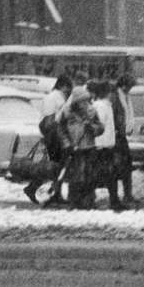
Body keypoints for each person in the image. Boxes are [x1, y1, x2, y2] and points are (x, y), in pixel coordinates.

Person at [27, 74, 73, 205]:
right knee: (54, 167)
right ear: (63, 86)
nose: (69, 90)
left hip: (55, 136)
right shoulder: (53, 98)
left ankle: (53, 193)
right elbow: (49, 119)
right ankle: (37, 189)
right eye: (68, 87)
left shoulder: (56, 97)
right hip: (54, 137)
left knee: (56, 167)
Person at [60, 84, 103, 209]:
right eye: (82, 101)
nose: (85, 103)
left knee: (90, 175)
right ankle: (74, 201)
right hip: (74, 149)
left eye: (86, 100)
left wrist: (92, 128)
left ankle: (89, 201)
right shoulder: (66, 113)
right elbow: (61, 129)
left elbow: (100, 127)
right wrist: (66, 143)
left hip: (89, 147)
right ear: (76, 101)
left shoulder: (92, 111)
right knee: (75, 176)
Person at [89, 80, 126, 211]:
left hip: (107, 147)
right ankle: (93, 200)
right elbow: (97, 126)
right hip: (101, 148)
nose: (114, 95)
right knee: (103, 175)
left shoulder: (107, 106)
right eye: (112, 92)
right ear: (107, 93)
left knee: (110, 176)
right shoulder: (100, 106)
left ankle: (114, 200)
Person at [114, 74, 137, 206]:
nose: (130, 89)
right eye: (129, 86)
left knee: (126, 166)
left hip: (123, 135)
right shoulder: (116, 97)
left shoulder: (126, 96)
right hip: (117, 136)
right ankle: (122, 195)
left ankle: (127, 194)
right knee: (121, 166)